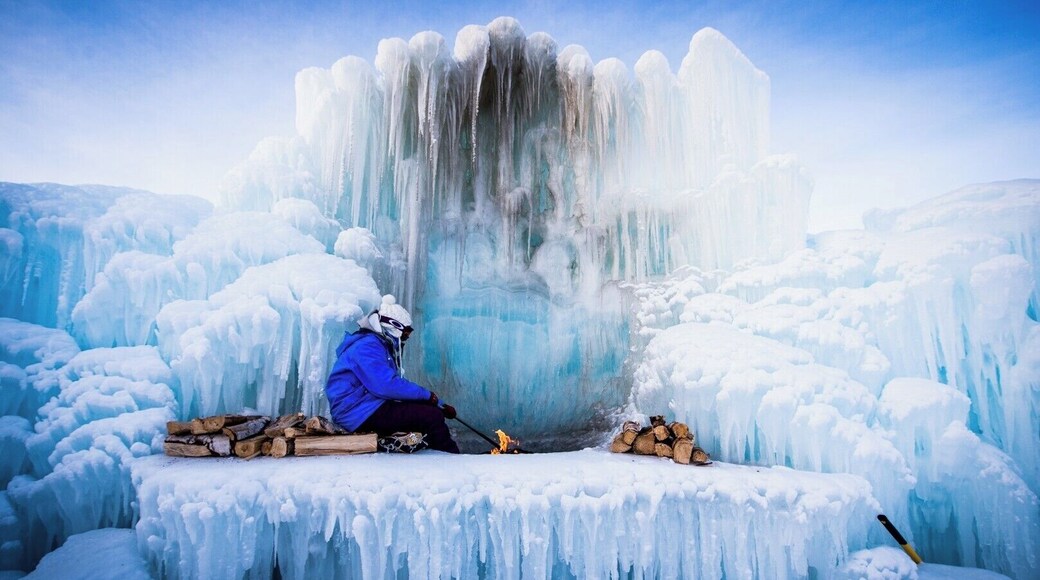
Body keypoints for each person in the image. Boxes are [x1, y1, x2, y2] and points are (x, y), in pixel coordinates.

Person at [325, 294, 460, 453]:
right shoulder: (367, 346)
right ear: (394, 327)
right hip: (356, 412)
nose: (406, 337)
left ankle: (429, 450)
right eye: (406, 332)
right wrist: (428, 397)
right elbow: (386, 385)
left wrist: (439, 404)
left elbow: (390, 386)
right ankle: (451, 458)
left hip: (365, 407)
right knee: (432, 416)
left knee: (429, 413)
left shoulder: (376, 344)